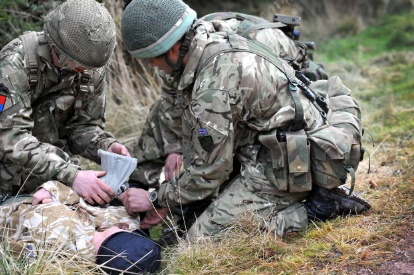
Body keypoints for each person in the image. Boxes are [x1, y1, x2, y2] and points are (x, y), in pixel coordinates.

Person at [119, 0, 329, 238]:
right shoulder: (205, 33)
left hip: (290, 159)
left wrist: (155, 198)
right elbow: (175, 111)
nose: (152, 66)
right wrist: (174, 150)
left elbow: (209, 172)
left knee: (200, 239)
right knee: (193, 209)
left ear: (172, 50)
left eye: (152, 58)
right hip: (259, 135)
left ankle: (312, 208)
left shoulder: (212, 88)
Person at [0, 0, 129, 204]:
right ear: (58, 50)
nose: (87, 73)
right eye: (80, 66)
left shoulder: (91, 67)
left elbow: (83, 127)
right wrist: (73, 175)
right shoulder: (14, 63)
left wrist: (105, 146)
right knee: (1, 233)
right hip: (6, 178)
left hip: (56, 178)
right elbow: (12, 138)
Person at [0, 181, 161, 275]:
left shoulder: (54, 249)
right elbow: (81, 199)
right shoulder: (118, 223)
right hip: (29, 199)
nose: (129, 228)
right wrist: (50, 191)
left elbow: (0, 260)